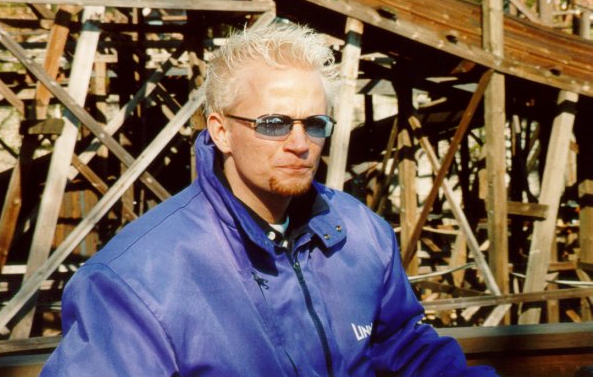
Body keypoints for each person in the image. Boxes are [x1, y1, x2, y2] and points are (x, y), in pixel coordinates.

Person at [41, 23, 497, 376]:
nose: (300, 144)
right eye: (274, 124)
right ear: (221, 131)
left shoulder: (361, 233)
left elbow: (405, 347)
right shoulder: (135, 279)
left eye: (314, 124)